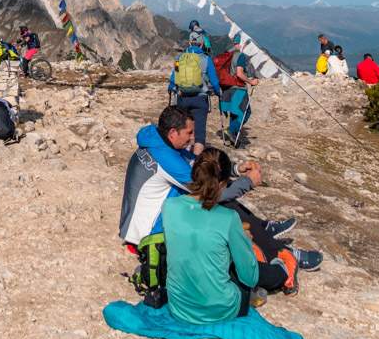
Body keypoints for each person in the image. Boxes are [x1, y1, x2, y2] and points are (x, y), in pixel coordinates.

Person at [119, 107, 320, 276]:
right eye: (189, 133)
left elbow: (197, 166)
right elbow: (209, 191)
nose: (192, 138)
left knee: (223, 201)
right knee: (222, 205)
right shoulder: (166, 159)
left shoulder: (157, 138)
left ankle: (263, 230)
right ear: (173, 132)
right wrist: (247, 183)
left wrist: (235, 169)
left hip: (142, 222)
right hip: (148, 236)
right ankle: (282, 253)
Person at [162, 147, 294, 322]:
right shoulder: (228, 218)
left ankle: (279, 266)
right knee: (252, 268)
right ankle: (283, 271)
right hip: (220, 309)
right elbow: (249, 277)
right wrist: (246, 242)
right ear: (223, 184)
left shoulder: (169, 206)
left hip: (179, 306)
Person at [169, 33, 221, 153]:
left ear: (189, 43)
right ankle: (195, 162)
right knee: (199, 133)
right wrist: (218, 92)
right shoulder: (206, 59)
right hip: (200, 99)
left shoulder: (179, 59)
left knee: (183, 129)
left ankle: (183, 157)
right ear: (202, 44)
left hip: (182, 99)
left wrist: (172, 88)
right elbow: (214, 81)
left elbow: (174, 78)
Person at [214, 38, 259, 145]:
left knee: (235, 112)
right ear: (241, 44)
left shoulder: (227, 55)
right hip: (238, 88)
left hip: (227, 88)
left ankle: (232, 136)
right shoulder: (240, 56)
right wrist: (250, 81)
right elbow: (239, 73)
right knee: (245, 112)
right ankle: (231, 130)